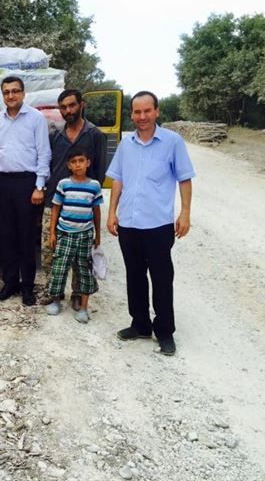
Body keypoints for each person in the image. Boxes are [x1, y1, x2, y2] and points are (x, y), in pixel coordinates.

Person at [106, 91, 195, 356]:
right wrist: (111, 212)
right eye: (137, 112)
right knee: (134, 276)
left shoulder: (172, 142)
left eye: (147, 111)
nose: (142, 117)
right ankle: (140, 324)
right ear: (131, 114)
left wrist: (186, 213)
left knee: (162, 278)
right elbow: (118, 179)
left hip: (158, 225)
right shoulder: (126, 144)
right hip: (129, 224)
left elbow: (185, 178)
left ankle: (165, 331)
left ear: (157, 111)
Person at [0, 76, 52, 306]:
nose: (10, 95)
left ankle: (27, 287)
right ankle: (10, 283)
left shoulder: (35, 118)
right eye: (6, 92)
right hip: (5, 182)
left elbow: (44, 153)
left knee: (26, 236)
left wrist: (39, 186)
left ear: (23, 94)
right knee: (6, 235)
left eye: (15, 91)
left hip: (28, 184)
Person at [45, 89, 107, 310]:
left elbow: (99, 172)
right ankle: (55, 294)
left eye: (72, 105)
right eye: (63, 107)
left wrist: (90, 201)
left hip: (82, 204)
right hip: (56, 199)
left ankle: (77, 295)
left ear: (82, 105)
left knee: (82, 257)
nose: (67, 111)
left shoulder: (95, 135)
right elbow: (47, 162)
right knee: (56, 253)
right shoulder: (55, 134)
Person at [45, 149, 102, 323]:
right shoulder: (64, 184)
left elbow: (96, 210)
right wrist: (52, 232)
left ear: (88, 163)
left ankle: (83, 307)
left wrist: (97, 235)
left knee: (84, 270)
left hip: (85, 234)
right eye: (74, 162)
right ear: (69, 165)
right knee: (59, 268)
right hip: (64, 232)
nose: (78, 164)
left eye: (81, 160)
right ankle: (56, 301)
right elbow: (55, 208)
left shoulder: (94, 186)